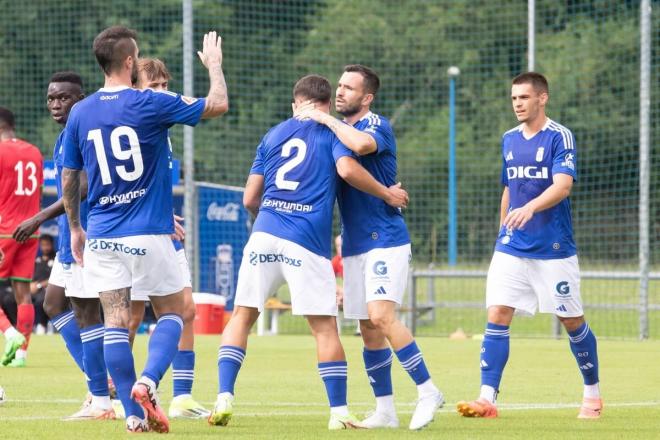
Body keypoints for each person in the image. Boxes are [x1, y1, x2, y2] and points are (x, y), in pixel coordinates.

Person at [209, 74, 408, 430]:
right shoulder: (333, 132)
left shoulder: (273, 135)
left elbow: (249, 198)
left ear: (294, 104)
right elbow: (347, 169)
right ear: (327, 104)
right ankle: (339, 412)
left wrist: (272, 218)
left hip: (264, 235)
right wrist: (386, 193)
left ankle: (224, 396)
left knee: (241, 316)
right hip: (306, 242)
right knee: (324, 329)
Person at [62, 26, 228, 433]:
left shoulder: (80, 112)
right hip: (151, 232)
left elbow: (70, 176)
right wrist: (215, 67)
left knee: (116, 322)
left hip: (102, 235)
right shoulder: (150, 101)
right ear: (130, 62)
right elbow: (218, 104)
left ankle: (133, 417)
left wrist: (75, 228)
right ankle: (148, 382)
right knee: (174, 311)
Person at [294, 64, 444, 430]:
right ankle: (386, 410)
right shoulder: (337, 133)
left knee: (380, 315)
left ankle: (428, 391)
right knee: (368, 328)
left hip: (385, 240)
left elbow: (358, 151)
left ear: (367, 97)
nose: (341, 91)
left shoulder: (374, 125)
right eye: (340, 86)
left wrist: (325, 119)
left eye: (349, 88)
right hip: (355, 244)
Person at [455, 72, 602, 419]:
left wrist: (531, 208)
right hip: (511, 247)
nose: (517, 104)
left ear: (542, 98)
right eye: (513, 98)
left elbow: (563, 185)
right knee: (497, 313)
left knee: (572, 321)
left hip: (553, 248)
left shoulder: (559, 136)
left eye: (523, 97)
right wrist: (502, 231)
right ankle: (487, 398)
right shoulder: (508, 139)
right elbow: (509, 188)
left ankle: (592, 394)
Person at [12, 71, 115, 419]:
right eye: (52, 98)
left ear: (81, 98)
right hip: (71, 234)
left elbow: (82, 186)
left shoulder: (85, 132)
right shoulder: (63, 137)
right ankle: (97, 379)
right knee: (54, 304)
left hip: (86, 234)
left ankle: (100, 392)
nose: (56, 104)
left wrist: (38, 218)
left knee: (87, 311)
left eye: (64, 98)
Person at [128, 57, 209, 420]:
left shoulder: (162, 127)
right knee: (128, 318)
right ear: (134, 88)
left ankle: (182, 396)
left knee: (186, 310)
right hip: (137, 231)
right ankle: (116, 394)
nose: (162, 91)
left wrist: (163, 212)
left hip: (163, 227)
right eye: (154, 85)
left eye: (165, 85)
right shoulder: (132, 122)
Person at [0, 107, 43, 367]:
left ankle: (9, 332)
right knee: (22, 292)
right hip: (30, 229)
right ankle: (21, 354)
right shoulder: (34, 152)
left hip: (4, 228)